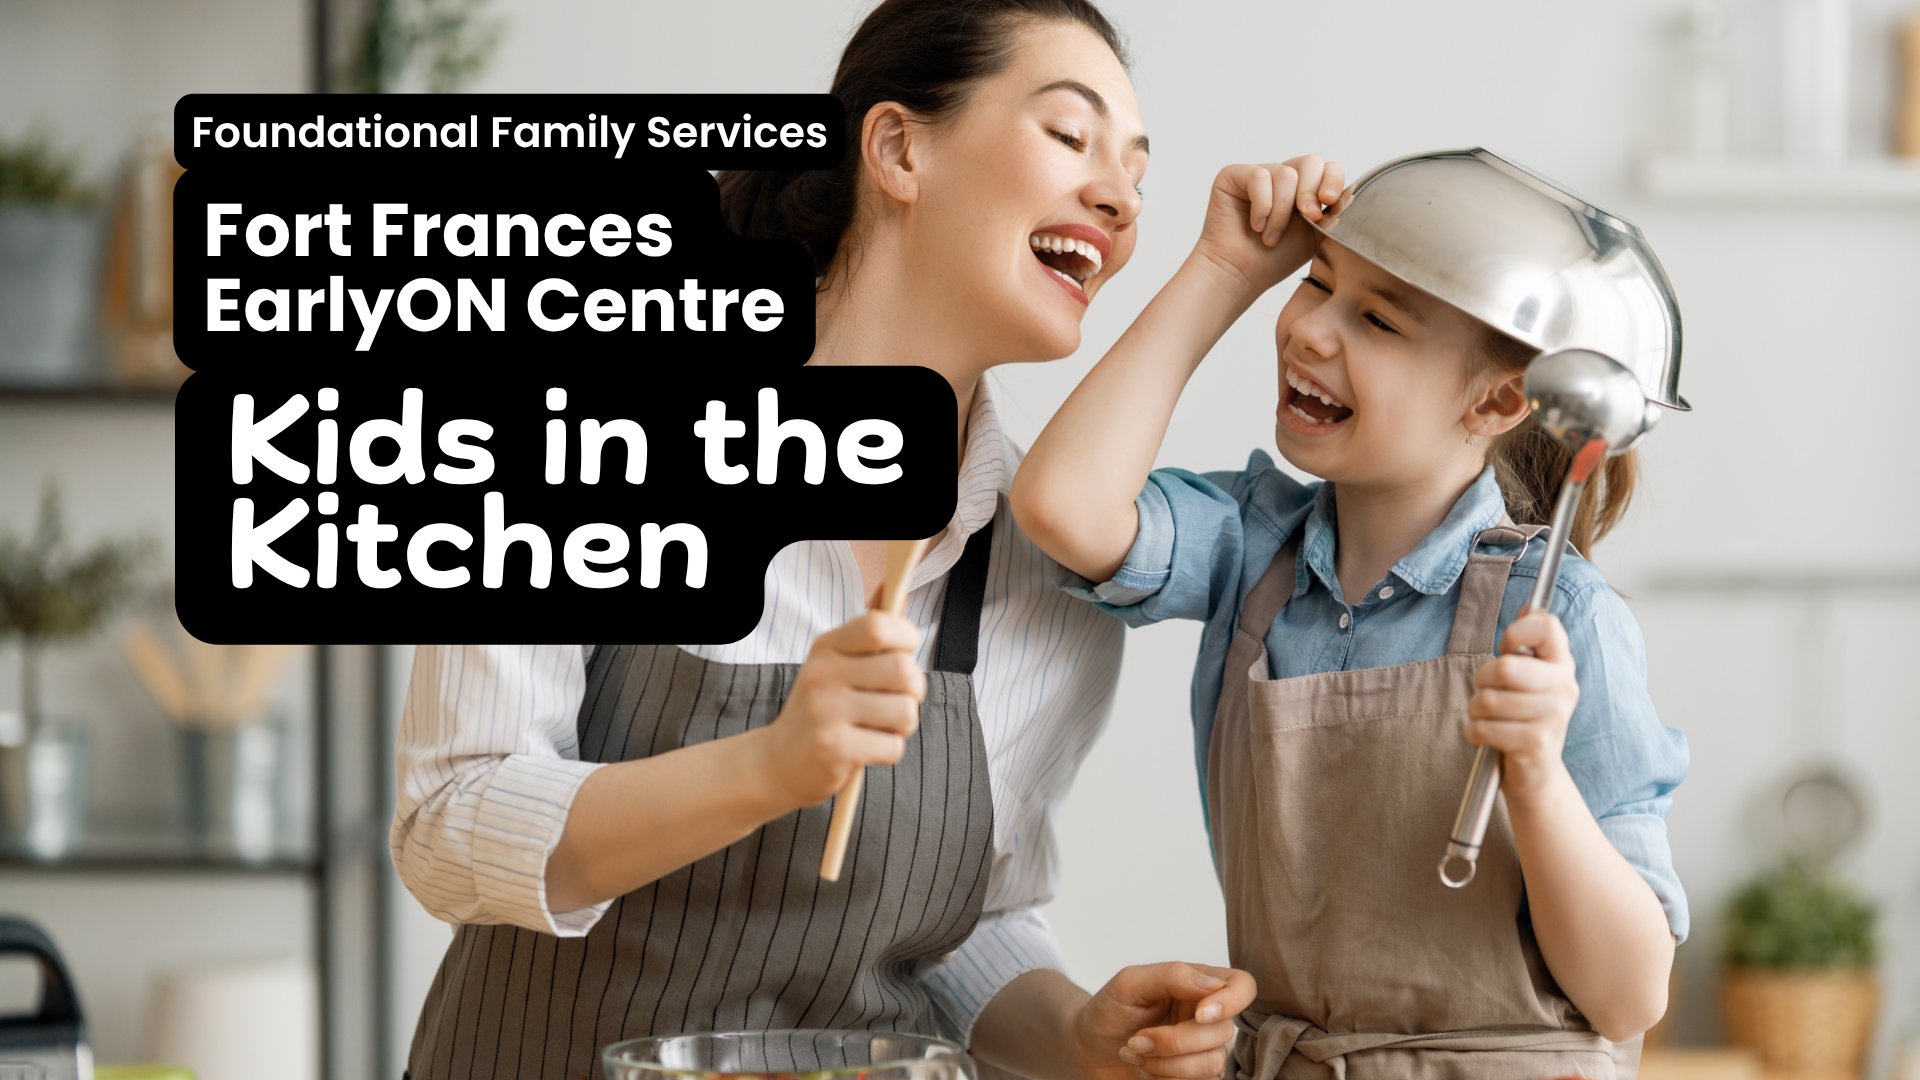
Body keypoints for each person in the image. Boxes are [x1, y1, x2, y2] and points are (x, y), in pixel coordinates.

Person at [392, 3, 1279, 1078]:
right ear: (900, 149)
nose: (1120, 197)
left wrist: (1079, 1037)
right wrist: (768, 765)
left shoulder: (1044, 569)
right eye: (1069, 135)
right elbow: (450, 824)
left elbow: (962, 926)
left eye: (1137, 168)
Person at [1009, 152, 1691, 1079]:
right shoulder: (1250, 550)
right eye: (1316, 281)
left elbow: (1629, 994)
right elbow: (1061, 507)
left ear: (1498, 399)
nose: (1310, 331)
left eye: (1375, 318)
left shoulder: (1560, 614)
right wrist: (1224, 272)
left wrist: (1534, 778)